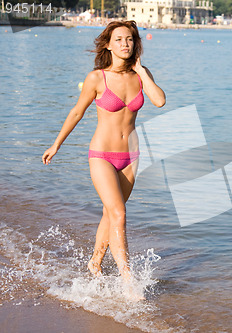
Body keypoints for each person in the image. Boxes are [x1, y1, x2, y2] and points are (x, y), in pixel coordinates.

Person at [42, 21, 165, 290]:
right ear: (108, 44)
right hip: (101, 155)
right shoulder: (97, 78)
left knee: (110, 215)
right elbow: (77, 112)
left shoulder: (139, 76)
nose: (125, 44)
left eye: (130, 39)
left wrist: (142, 72)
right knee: (119, 212)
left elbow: (160, 100)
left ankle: (95, 262)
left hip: (131, 157)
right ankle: (128, 280)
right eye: (119, 39)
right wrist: (56, 145)